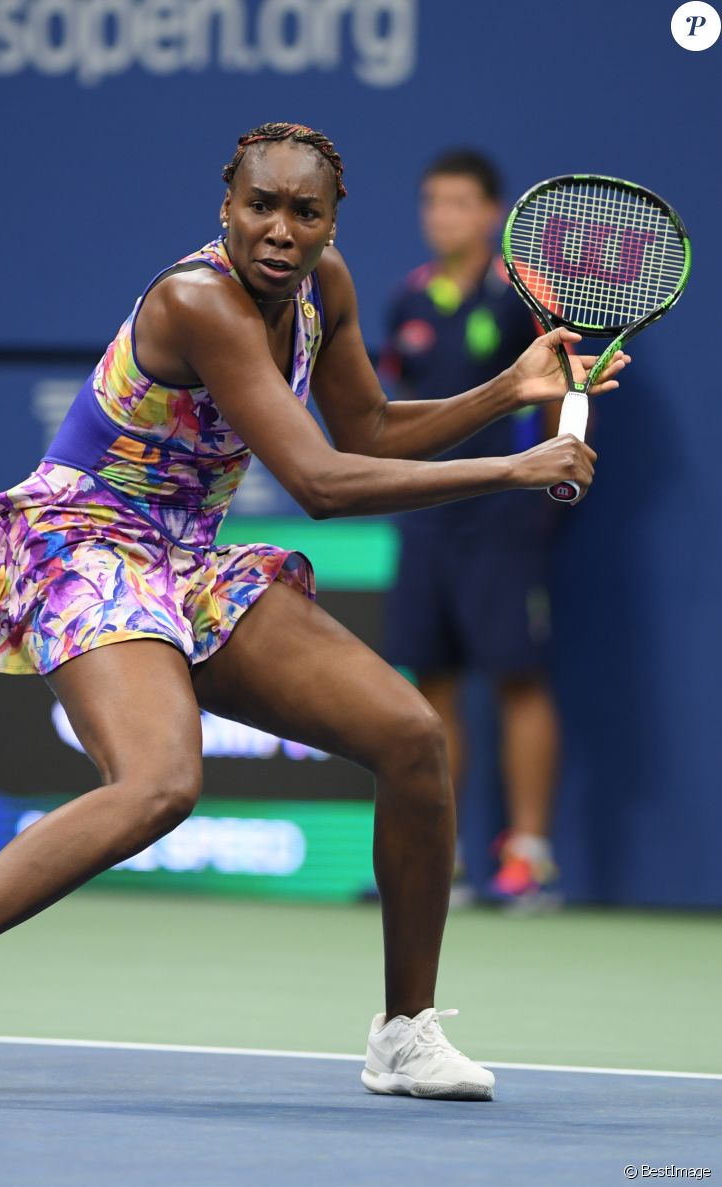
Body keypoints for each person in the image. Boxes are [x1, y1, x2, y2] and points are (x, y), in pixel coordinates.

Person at [0, 123, 625, 1104]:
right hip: (85, 543)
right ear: (225, 208)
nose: (280, 230)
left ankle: (403, 1033)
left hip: (183, 554)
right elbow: (320, 479)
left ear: (331, 221)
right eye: (260, 206)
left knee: (410, 736)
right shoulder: (197, 300)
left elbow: (365, 426)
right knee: (157, 781)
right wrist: (513, 466)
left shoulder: (326, 288)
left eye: (304, 212)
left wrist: (507, 389)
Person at [380, 149, 567, 908]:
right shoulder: (408, 301)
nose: (442, 216)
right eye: (432, 202)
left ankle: (529, 856)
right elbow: (392, 414)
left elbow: (561, 401)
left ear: (492, 213)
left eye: (458, 203)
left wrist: (548, 490)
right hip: (427, 515)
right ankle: (442, 859)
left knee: (518, 677)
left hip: (507, 513)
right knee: (431, 686)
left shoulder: (527, 294)